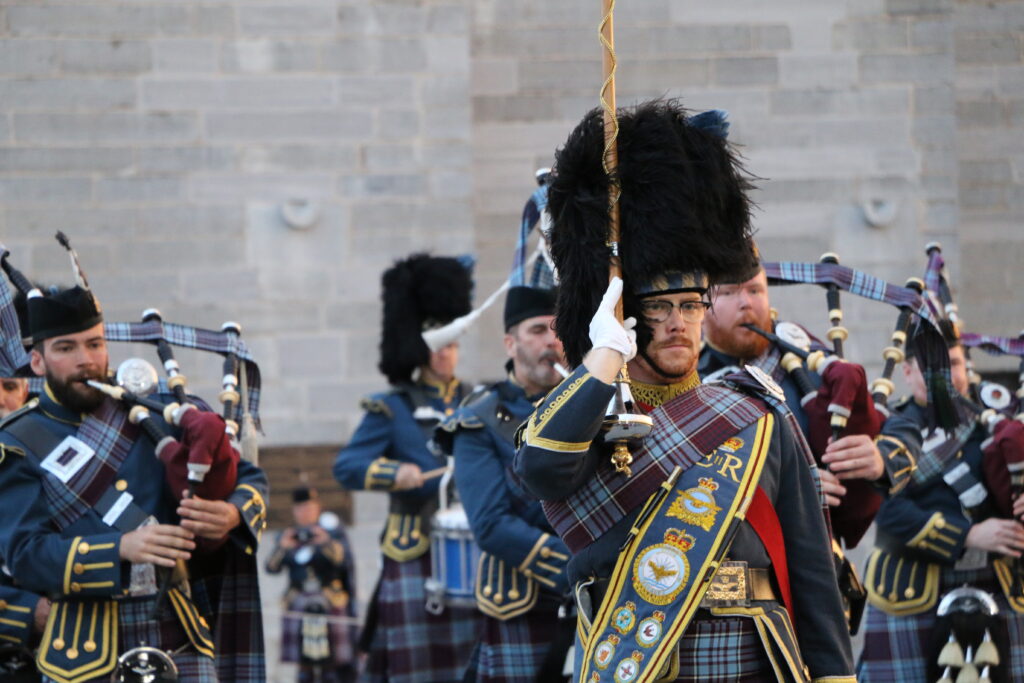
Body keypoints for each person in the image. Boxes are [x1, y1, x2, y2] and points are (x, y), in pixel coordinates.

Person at [514, 100, 855, 682]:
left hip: (753, 654)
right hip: (635, 656)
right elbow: (542, 469)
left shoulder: (757, 410)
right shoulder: (590, 409)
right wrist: (602, 356)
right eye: (661, 306)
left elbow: (812, 569)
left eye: (692, 305)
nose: (680, 322)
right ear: (627, 315)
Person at [0, 281, 269, 683]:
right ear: (37, 363)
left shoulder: (155, 413)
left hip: (179, 636)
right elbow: (26, 554)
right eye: (66, 348)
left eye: (94, 344)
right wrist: (121, 548)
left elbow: (249, 478)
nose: (85, 361)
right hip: (82, 653)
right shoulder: (18, 442)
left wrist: (231, 513)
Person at [333, 253, 480, 683]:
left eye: (451, 345)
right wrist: (393, 474)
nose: (445, 356)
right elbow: (348, 466)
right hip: (414, 548)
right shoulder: (391, 407)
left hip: (475, 546)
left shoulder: (480, 401)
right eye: (436, 348)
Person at [699, 259, 916, 548]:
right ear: (699, 304)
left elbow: (901, 425)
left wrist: (882, 458)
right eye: (728, 293)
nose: (746, 303)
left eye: (755, 290)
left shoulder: (808, 361)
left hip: (814, 565)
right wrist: (792, 492)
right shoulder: (687, 375)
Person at [858, 332, 1024, 682]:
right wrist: (969, 534)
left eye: (954, 364)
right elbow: (885, 511)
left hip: (1002, 580)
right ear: (907, 372)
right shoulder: (890, 428)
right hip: (912, 586)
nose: (946, 376)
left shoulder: (999, 424)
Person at [437, 285, 573, 682]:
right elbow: (491, 524)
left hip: (602, 597)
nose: (551, 340)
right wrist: (578, 566)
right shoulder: (478, 417)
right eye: (537, 330)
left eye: (558, 329)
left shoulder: (598, 401)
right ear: (510, 343)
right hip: (525, 601)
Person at [266, 485, 357, 683]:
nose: (305, 512)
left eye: (309, 507)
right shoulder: (288, 535)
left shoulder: (332, 532)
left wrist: (325, 542)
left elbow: (343, 561)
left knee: (332, 664)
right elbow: (271, 568)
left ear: (318, 507)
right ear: (294, 510)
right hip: (298, 602)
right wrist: (282, 547)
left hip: (329, 600)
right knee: (303, 664)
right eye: (300, 508)